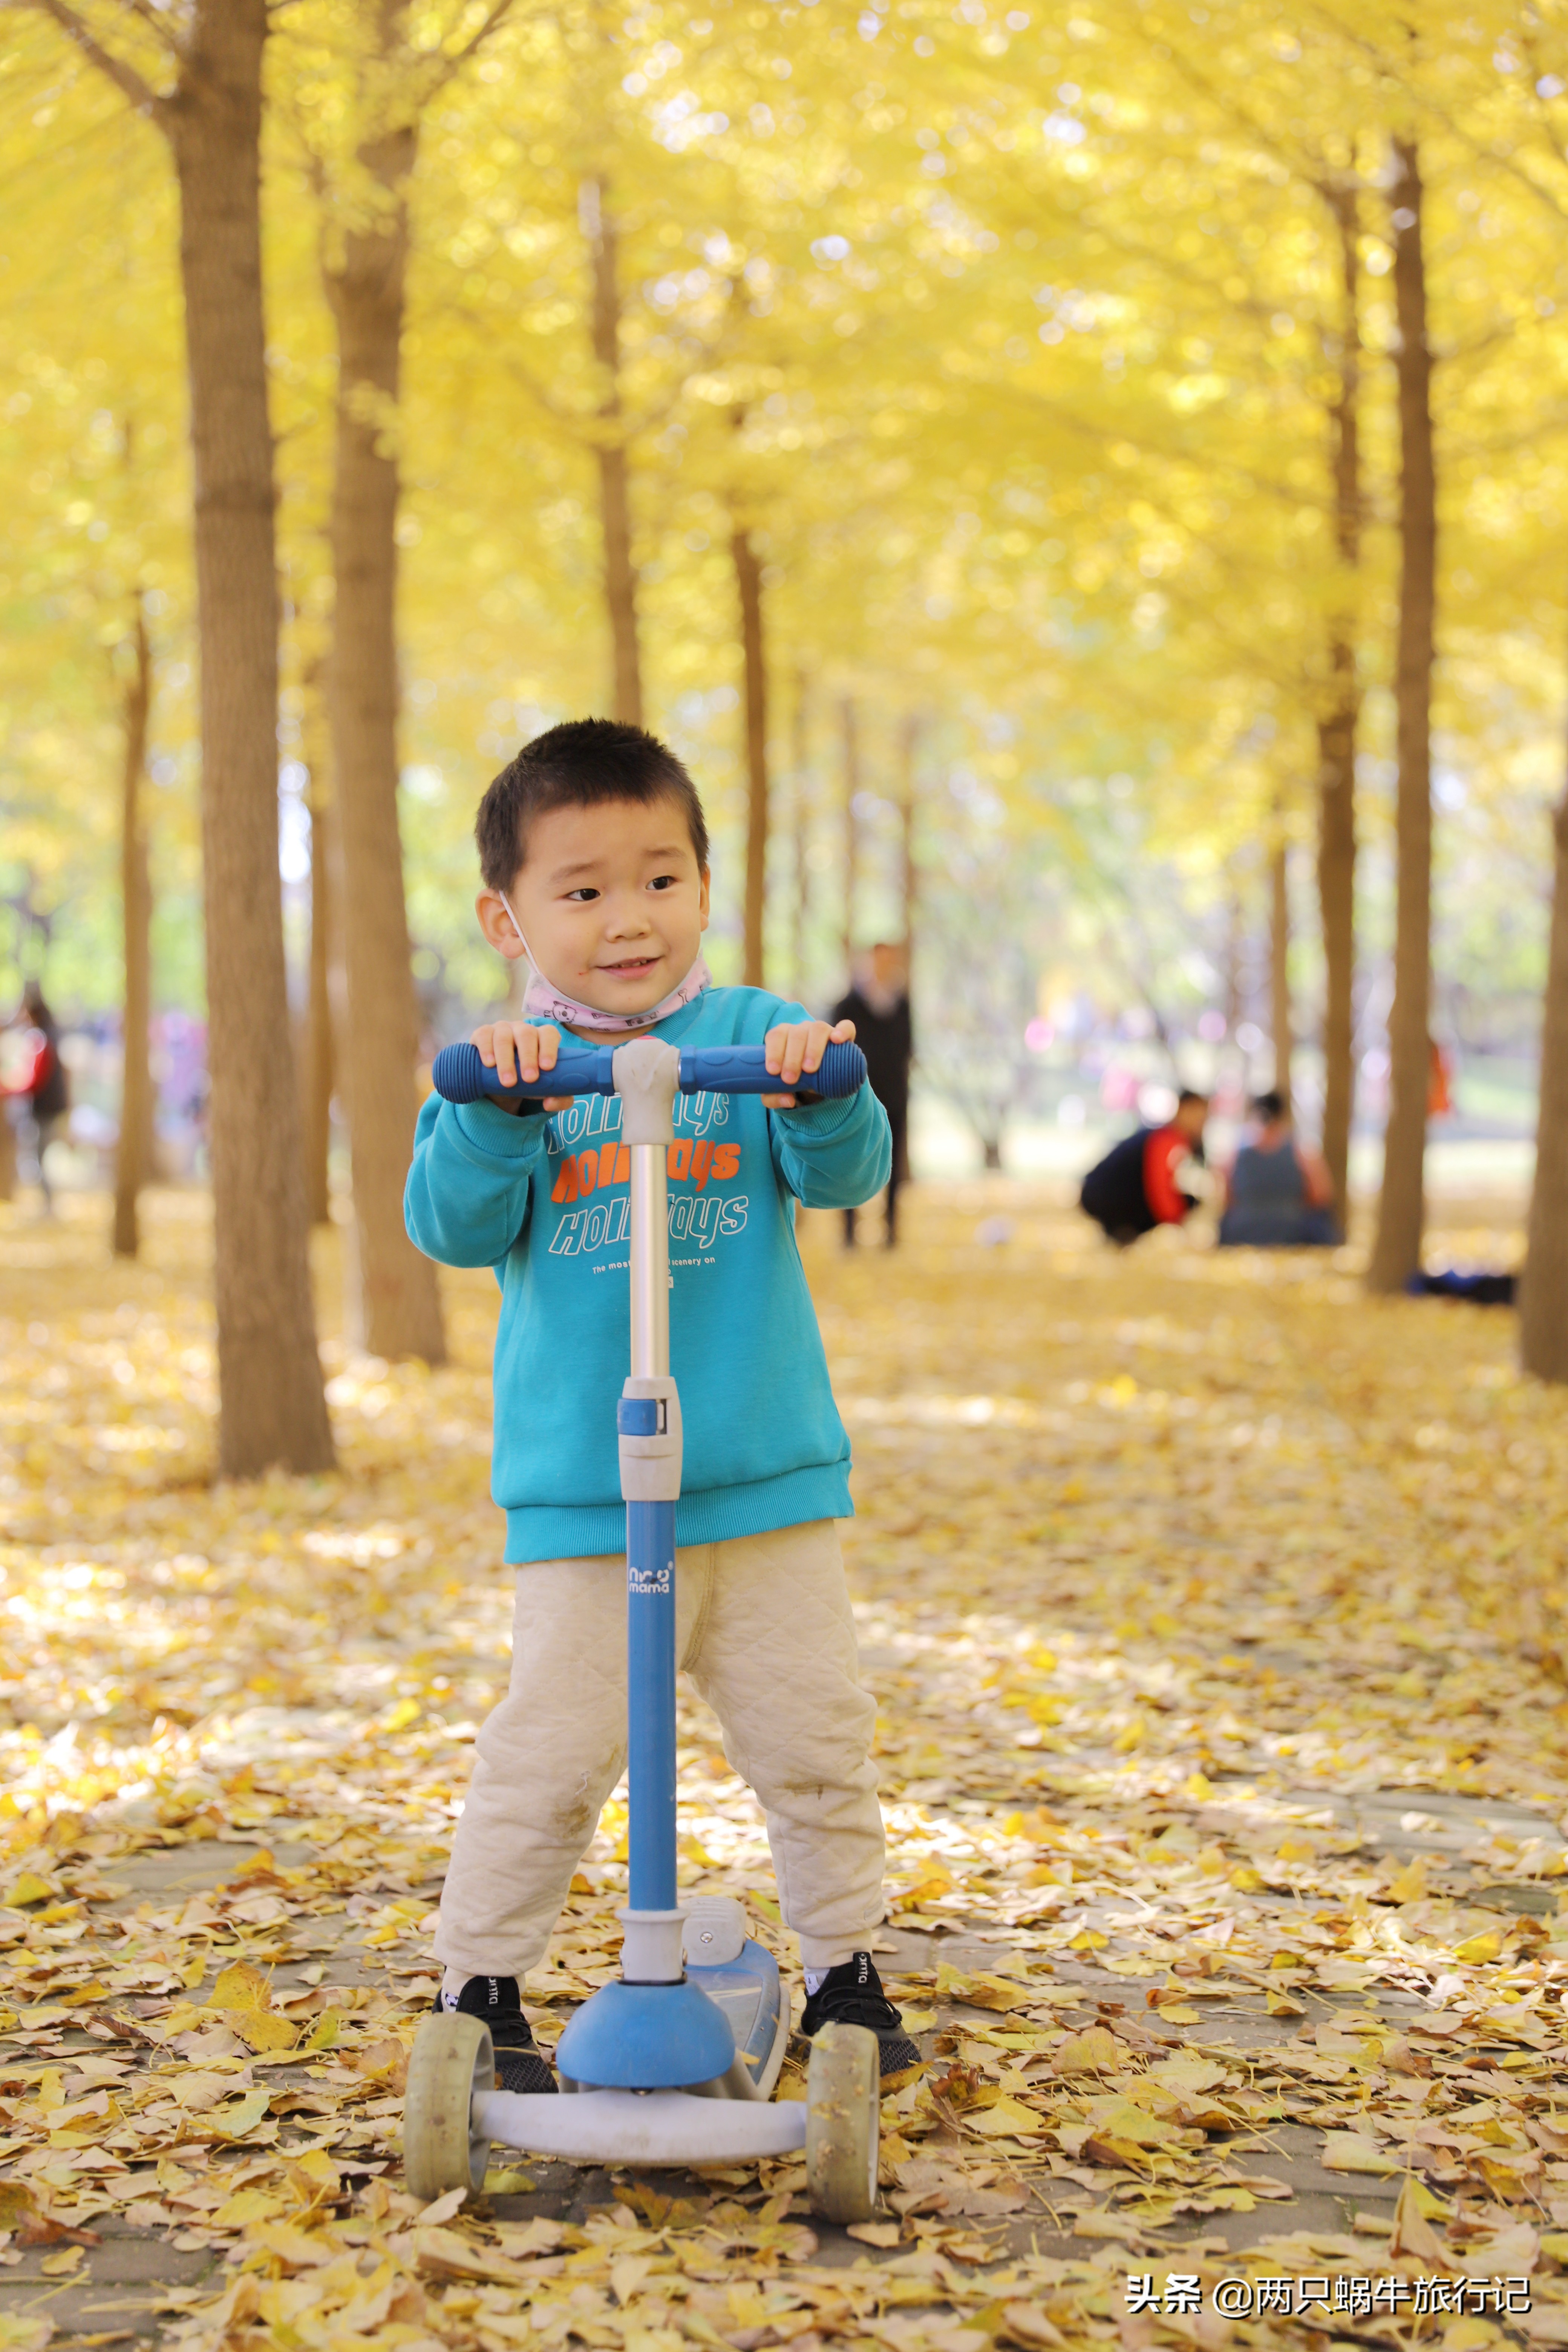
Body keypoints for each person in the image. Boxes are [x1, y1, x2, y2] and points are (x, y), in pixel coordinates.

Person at [404, 718, 920, 2094]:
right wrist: (489, 1115)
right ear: (506, 917)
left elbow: (844, 1172)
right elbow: (449, 1227)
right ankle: (482, 1985)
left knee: (813, 1732)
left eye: (659, 879)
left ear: (704, 882)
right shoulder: (505, 1065)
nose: (626, 919)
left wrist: (825, 1086)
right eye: (580, 892)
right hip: (586, 1491)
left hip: (759, 1480)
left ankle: (846, 1971)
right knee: (553, 1748)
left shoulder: (755, 1034)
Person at [831, 942, 912, 1247]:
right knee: (851, 1160)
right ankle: (849, 1234)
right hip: (855, 1094)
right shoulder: (848, 1005)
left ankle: (891, 1231)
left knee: (893, 1161)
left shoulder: (901, 1004)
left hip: (895, 1095)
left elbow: (907, 1048)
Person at [1080, 1089, 1209, 1246]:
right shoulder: (1168, 1139)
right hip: (1107, 1198)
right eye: (1198, 1115)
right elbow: (1160, 1189)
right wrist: (1177, 1225)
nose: (1201, 1123)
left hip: (1100, 1193)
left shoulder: (1166, 1137)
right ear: (1182, 1110)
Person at [1217, 1090, 1336, 1247]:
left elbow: (1226, 1197)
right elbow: (1321, 1195)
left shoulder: (1236, 1154)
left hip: (1242, 1230)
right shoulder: (1301, 1152)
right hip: (1292, 1231)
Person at [3, 983, 70, 1214]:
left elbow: (34, 1079)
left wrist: (8, 1089)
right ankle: (47, 1206)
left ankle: (49, 1207)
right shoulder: (50, 1036)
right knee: (37, 1158)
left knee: (38, 1159)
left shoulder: (41, 1039)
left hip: (45, 1109)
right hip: (50, 1107)